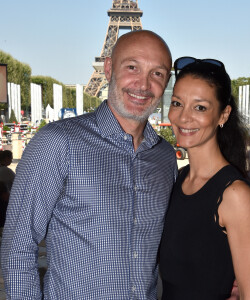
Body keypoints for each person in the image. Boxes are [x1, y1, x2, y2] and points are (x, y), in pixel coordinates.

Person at [1, 30, 178, 299]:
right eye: (132, 67)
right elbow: (18, 245)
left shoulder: (164, 156)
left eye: (157, 73)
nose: (143, 84)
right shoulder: (57, 143)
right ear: (108, 68)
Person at [159, 57, 250, 299]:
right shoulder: (178, 180)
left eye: (200, 107)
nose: (184, 117)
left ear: (223, 115)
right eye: (177, 103)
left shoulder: (234, 195)